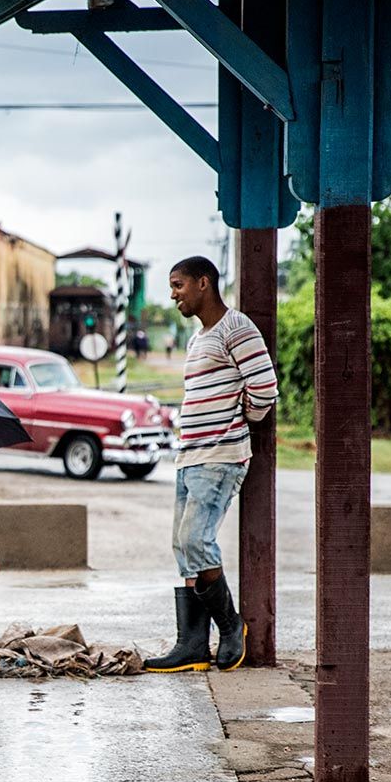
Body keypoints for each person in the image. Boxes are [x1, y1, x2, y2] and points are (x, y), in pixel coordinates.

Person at [144, 255, 277, 673]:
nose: (172, 295)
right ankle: (192, 645)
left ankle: (231, 625)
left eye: (178, 285)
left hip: (219, 455)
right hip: (191, 454)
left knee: (197, 540)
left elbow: (265, 389)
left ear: (204, 283)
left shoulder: (237, 328)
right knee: (183, 545)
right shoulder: (198, 338)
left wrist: (240, 419)